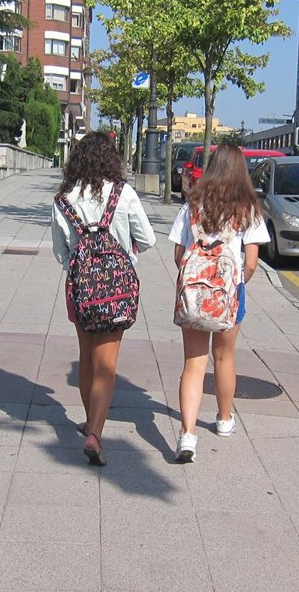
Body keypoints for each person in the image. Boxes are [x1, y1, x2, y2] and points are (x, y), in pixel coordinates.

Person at [52, 132, 156, 465]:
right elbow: (148, 239)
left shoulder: (64, 199)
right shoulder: (124, 194)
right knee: (106, 363)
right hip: (116, 290)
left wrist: (82, 261)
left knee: (87, 357)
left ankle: (89, 422)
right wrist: (125, 250)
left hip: (80, 289)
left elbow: (61, 253)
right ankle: (95, 434)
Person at [168, 144, 269, 463]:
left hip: (194, 293)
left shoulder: (192, 205)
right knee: (224, 357)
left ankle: (187, 435)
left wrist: (198, 279)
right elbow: (251, 262)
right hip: (230, 292)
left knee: (193, 362)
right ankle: (224, 420)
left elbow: (178, 255)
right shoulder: (248, 209)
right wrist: (234, 283)